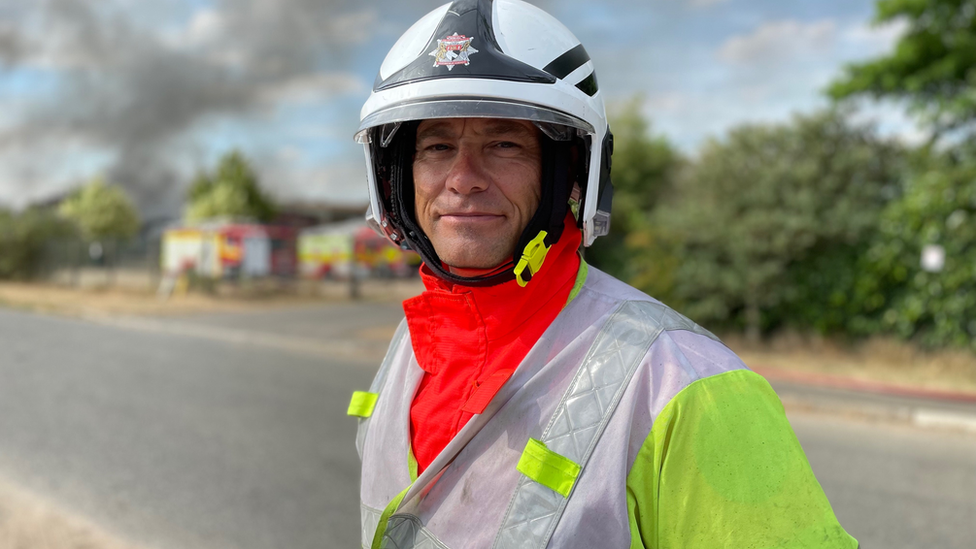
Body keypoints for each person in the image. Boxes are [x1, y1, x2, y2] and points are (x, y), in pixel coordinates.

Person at [348, 1, 858, 548]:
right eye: (437, 146)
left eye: (504, 144)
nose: (463, 178)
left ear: (568, 172)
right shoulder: (414, 344)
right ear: (398, 174)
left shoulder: (686, 384)